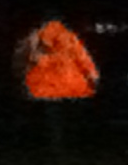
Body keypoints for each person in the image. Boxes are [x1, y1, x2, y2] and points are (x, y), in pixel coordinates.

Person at [19, 17, 99, 147]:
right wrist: (92, 75)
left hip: (46, 87)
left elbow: (29, 59)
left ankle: (55, 142)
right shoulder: (69, 37)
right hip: (71, 85)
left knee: (52, 117)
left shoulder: (36, 38)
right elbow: (82, 57)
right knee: (69, 116)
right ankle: (70, 141)